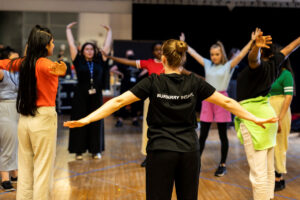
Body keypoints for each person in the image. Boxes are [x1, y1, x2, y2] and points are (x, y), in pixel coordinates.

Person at [64, 39, 277, 200]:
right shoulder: (193, 82)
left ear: (163, 59)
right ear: (182, 60)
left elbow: (118, 102)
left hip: (160, 152)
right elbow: (228, 103)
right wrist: (254, 119)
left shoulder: (153, 82)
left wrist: (86, 119)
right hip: (188, 153)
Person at [180, 28, 260, 176]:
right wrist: (184, 44)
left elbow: (242, 54)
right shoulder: (208, 64)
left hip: (222, 99)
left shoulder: (228, 65)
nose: (214, 57)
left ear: (221, 54)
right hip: (208, 99)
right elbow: (194, 54)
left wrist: (252, 41)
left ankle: (222, 164)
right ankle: (195, 163)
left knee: (223, 135)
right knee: (202, 135)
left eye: (216, 54)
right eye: (212, 54)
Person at [102, 42, 196, 167]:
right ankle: (148, 156)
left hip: (170, 101)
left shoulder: (172, 64)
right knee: (149, 129)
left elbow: (189, 73)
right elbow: (127, 62)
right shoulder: (149, 63)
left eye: (161, 50)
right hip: (152, 101)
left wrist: (206, 81)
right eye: (157, 50)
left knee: (169, 129)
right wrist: (110, 57)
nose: (159, 52)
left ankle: (168, 155)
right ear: (153, 52)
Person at [0, 25, 66, 200]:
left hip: (25, 120)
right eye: (52, 42)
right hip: (43, 120)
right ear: (45, 45)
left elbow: (3, 64)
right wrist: (60, 69)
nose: (53, 45)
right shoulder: (45, 63)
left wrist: (60, 69)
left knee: (26, 167)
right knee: (43, 168)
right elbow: (54, 69)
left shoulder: (24, 62)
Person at [235, 31, 300, 200]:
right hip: (267, 117)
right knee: (269, 168)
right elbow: (290, 48)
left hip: (255, 120)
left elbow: (253, 60)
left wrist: (255, 46)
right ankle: (269, 197)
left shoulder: (260, 66)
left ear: (262, 50)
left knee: (258, 173)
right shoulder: (275, 63)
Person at [66, 22, 112, 160]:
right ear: (82, 51)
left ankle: (95, 150)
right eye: (87, 49)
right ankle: (78, 150)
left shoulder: (100, 61)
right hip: (80, 95)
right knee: (79, 121)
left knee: (96, 121)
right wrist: (68, 30)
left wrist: (109, 31)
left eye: (92, 49)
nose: (90, 51)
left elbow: (107, 47)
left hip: (96, 95)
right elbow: (71, 45)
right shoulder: (78, 60)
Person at [269, 56, 294, 191]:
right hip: (269, 112)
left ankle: (279, 179)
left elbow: (288, 97)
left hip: (281, 113)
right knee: (270, 145)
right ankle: (273, 176)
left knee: (279, 145)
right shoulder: (272, 74)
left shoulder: (286, 74)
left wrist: (280, 118)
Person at [0, 47, 19, 191]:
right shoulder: (2, 72)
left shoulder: (18, 73)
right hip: (5, 108)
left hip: (18, 108)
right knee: (7, 144)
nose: (17, 62)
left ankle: (14, 173)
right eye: (13, 59)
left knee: (16, 143)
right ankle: (5, 178)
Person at [110, 49, 143, 127]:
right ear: (126, 56)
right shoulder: (123, 63)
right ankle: (120, 120)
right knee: (123, 102)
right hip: (125, 85)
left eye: (131, 54)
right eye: (129, 55)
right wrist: (120, 73)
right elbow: (112, 69)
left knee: (135, 103)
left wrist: (140, 75)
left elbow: (146, 68)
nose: (130, 56)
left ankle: (134, 119)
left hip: (135, 86)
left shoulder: (137, 63)